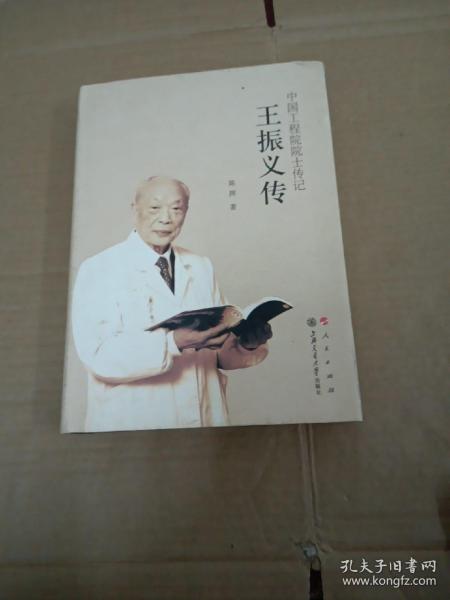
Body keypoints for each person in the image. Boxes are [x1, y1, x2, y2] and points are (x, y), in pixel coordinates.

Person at [72, 176, 272, 431]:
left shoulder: (200, 266)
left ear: (186, 212)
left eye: (176, 208)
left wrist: (245, 345)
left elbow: (217, 354)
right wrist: (174, 342)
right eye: (155, 207)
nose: (166, 218)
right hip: (136, 421)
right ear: (134, 209)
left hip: (204, 416)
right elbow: (98, 356)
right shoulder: (100, 268)